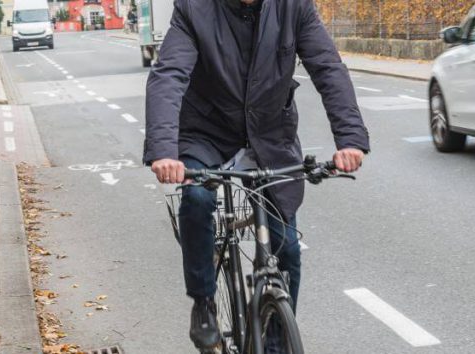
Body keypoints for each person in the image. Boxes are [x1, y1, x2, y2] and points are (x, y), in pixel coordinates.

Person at [143, 0, 369, 351]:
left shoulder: (294, 7)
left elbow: (328, 69)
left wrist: (350, 140)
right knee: (198, 197)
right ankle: (203, 302)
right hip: (206, 132)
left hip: (269, 135)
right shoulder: (194, 9)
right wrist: (163, 151)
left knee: (287, 248)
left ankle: (277, 342)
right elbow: (169, 76)